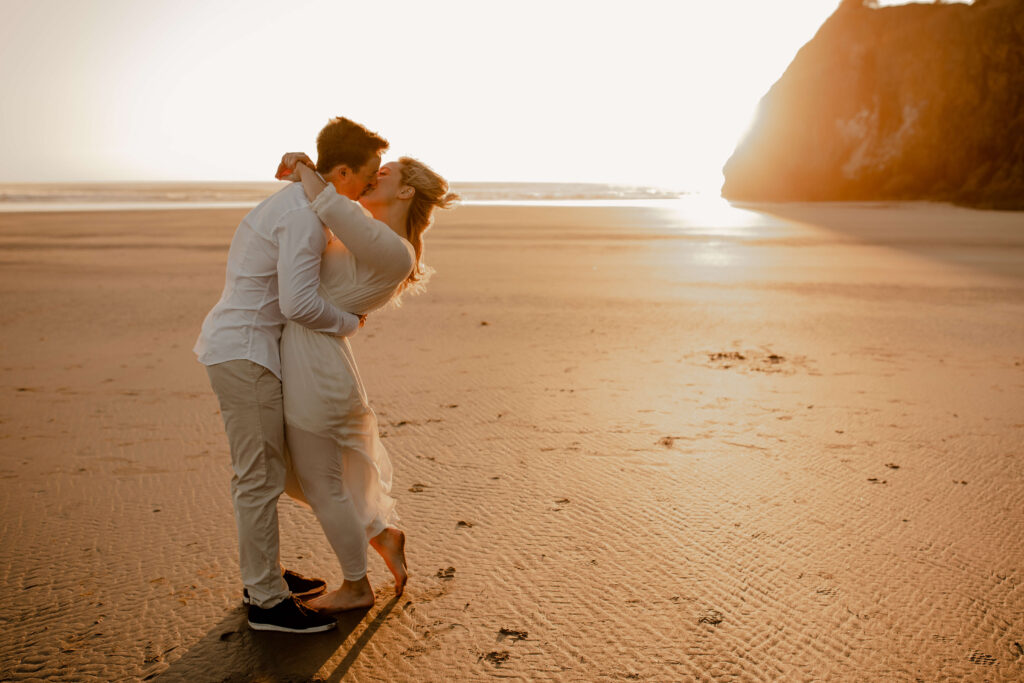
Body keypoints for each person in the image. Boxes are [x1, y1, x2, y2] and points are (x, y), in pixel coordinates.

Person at [194, 117, 387, 633]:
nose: (371, 185)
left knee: (268, 472)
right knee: (258, 478)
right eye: (367, 175)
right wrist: (350, 322)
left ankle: (265, 576)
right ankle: (265, 603)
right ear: (341, 171)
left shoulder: (301, 204)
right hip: (245, 352)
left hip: (248, 349)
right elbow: (297, 303)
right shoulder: (303, 216)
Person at [274, 150, 458, 613]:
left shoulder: (394, 249)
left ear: (405, 191)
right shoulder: (371, 233)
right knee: (307, 477)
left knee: (320, 482)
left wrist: (302, 168)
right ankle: (381, 534)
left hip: (316, 366)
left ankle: (357, 587)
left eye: (384, 173)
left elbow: (329, 205)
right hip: (312, 357)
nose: (372, 178)